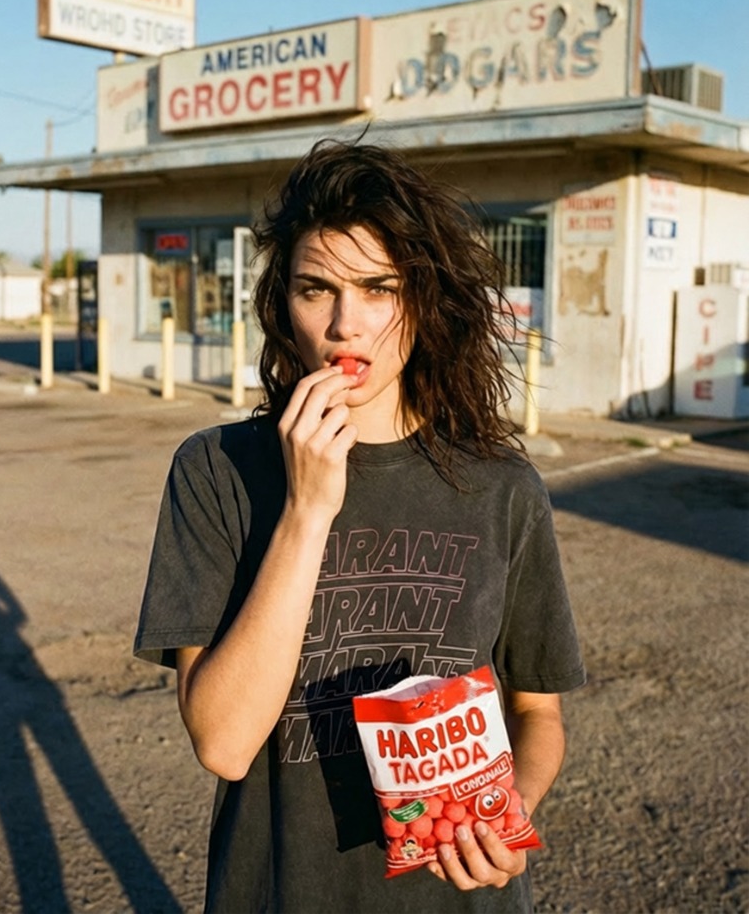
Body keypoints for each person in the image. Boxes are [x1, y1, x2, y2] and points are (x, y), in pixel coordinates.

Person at [134, 139, 585, 913]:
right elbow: (225, 743)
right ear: (283, 306)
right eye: (316, 289)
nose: (347, 324)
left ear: (422, 299)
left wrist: (509, 815)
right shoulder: (218, 471)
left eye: (377, 287)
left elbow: (538, 712)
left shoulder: (502, 487)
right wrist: (307, 511)